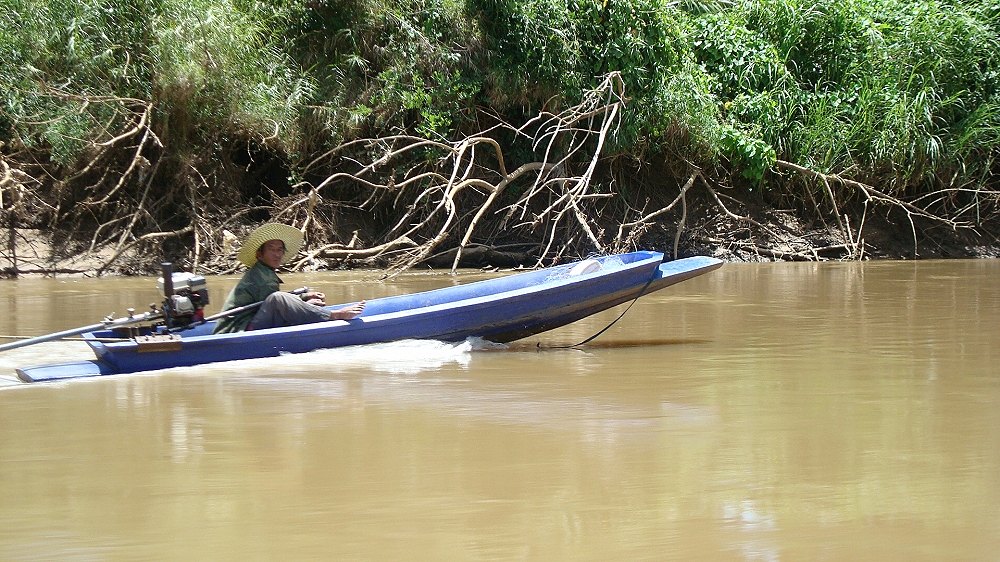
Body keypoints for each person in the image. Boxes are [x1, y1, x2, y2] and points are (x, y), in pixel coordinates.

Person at [213, 223, 365, 334]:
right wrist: (305, 305)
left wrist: (304, 298)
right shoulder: (261, 276)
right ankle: (335, 315)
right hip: (237, 330)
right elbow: (275, 303)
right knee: (278, 298)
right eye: (271, 249)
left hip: (250, 322)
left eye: (279, 250)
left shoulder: (263, 271)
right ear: (260, 254)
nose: (277, 254)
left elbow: (266, 304)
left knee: (280, 300)